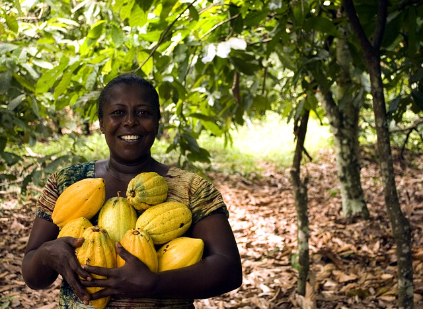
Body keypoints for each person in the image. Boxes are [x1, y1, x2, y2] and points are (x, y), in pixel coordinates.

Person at [21, 74, 243, 308]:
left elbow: (229, 270)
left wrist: (155, 283)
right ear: (101, 123)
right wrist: (47, 255)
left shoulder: (192, 189)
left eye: (143, 113)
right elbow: (33, 277)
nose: (130, 122)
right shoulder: (66, 182)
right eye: (118, 112)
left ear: (157, 122)